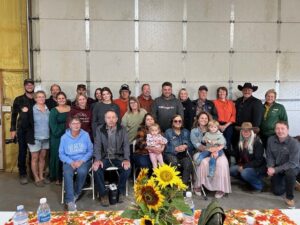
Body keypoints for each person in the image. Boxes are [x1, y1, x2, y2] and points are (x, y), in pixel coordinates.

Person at [93, 110, 131, 207]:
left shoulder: (122, 129)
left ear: (117, 119)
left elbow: (126, 145)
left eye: (113, 117)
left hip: (118, 157)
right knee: (97, 169)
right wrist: (97, 160)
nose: (111, 120)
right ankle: (103, 194)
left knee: (127, 169)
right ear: (105, 119)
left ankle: (120, 191)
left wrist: (126, 159)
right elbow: (97, 146)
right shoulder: (99, 129)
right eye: (108, 117)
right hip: (104, 158)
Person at [191, 112, 231, 198]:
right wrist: (209, 149)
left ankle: (220, 188)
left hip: (217, 150)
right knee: (204, 162)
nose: (204, 120)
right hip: (201, 152)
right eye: (201, 118)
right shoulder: (194, 131)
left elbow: (223, 143)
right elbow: (197, 144)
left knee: (222, 162)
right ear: (198, 119)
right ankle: (198, 186)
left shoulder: (215, 129)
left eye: (206, 118)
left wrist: (216, 150)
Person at [59, 116, 93, 211]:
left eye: (78, 123)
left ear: (80, 125)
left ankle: (76, 194)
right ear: (70, 125)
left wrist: (81, 161)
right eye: (74, 123)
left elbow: (90, 151)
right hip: (69, 161)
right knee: (67, 173)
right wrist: (70, 162)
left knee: (82, 171)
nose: (76, 125)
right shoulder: (64, 138)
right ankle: (70, 201)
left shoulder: (85, 135)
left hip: (83, 160)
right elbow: (61, 154)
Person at [266, 121, 300, 208]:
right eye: (277, 128)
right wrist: (270, 167)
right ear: (275, 130)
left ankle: (289, 197)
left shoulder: (294, 143)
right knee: (277, 191)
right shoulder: (271, 140)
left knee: (290, 173)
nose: (280, 131)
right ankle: (292, 183)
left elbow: (293, 163)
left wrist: (275, 170)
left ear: (287, 130)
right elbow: (269, 156)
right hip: (278, 167)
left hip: (292, 168)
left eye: (282, 128)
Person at [22, 91, 50, 187]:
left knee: (42, 158)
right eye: (39, 97)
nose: (41, 98)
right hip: (35, 138)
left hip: (46, 137)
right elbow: (25, 124)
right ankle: (36, 178)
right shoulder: (31, 109)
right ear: (35, 99)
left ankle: (41, 176)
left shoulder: (47, 109)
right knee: (34, 158)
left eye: (43, 97)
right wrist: (24, 113)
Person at [10, 78, 35, 184]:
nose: (29, 86)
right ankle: (23, 173)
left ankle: (33, 173)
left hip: (34, 130)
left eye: (31, 85)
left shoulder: (38, 99)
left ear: (34, 86)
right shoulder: (19, 99)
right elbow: (14, 115)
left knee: (34, 153)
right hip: (22, 130)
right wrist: (12, 129)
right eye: (27, 85)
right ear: (24, 86)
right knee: (22, 152)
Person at [230, 122, 266, 192]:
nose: (246, 132)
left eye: (248, 130)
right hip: (246, 165)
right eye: (243, 130)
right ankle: (248, 180)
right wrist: (223, 148)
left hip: (257, 167)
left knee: (245, 173)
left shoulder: (257, 142)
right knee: (231, 170)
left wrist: (244, 167)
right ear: (241, 132)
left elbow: (258, 161)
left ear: (251, 132)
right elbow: (236, 154)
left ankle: (259, 185)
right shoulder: (241, 142)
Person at [234, 82, 263, 159]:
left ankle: (248, 167)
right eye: (245, 90)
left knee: (249, 150)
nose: (247, 91)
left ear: (252, 91)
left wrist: (253, 131)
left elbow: (257, 119)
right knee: (239, 149)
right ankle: (238, 164)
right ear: (242, 91)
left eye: (249, 90)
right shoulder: (238, 101)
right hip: (238, 129)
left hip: (249, 131)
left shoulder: (257, 102)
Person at [164, 115, 193, 186]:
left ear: (182, 122)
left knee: (188, 163)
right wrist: (175, 149)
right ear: (172, 122)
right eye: (175, 121)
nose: (178, 122)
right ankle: (176, 185)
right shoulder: (168, 132)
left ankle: (183, 185)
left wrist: (186, 146)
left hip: (183, 155)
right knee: (174, 162)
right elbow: (164, 147)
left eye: (180, 121)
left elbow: (191, 145)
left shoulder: (186, 131)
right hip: (171, 154)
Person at [49, 92, 71, 184]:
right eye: (59, 98)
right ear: (56, 100)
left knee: (68, 155)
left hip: (70, 136)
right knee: (57, 156)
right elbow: (53, 126)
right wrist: (65, 128)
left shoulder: (70, 109)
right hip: (57, 137)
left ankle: (68, 176)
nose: (61, 100)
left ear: (66, 99)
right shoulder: (53, 111)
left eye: (63, 98)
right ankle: (57, 177)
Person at [213, 86, 236, 162]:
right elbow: (213, 115)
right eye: (220, 91)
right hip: (217, 125)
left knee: (227, 143)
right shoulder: (214, 102)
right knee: (217, 143)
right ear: (217, 93)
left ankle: (227, 163)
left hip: (228, 125)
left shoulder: (231, 103)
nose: (222, 93)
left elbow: (233, 115)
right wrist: (219, 126)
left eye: (223, 91)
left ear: (226, 93)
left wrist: (225, 126)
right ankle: (218, 161)